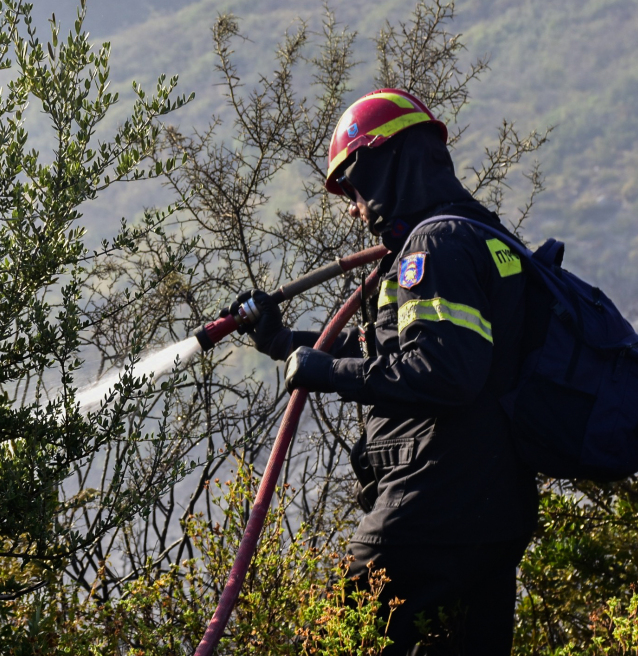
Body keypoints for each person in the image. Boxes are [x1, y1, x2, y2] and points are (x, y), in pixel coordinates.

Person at [226, 89, 539, 654]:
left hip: (432, 505)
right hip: (495, 514)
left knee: (339, 640)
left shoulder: (435, 246)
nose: (352, 204)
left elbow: (447, 371)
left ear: (390, 162)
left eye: (353, 183)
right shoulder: (487, 239)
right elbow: (403, 349)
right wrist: (285, 343)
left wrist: (330, 375)